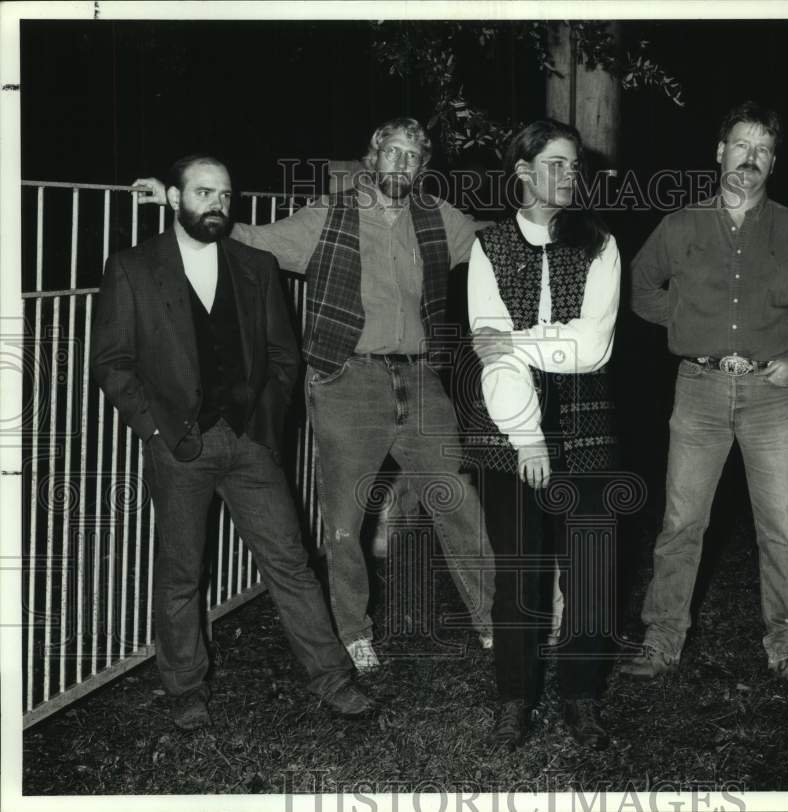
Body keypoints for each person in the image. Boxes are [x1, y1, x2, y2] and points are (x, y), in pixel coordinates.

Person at [132, 118, 494, 673]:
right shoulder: (330, 214)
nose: (401, 163)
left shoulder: (440, 218)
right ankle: (353, 631)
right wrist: (172, 203)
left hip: (422, 380)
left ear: (423, 168)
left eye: (413, 156)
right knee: (345, 518)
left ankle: (493, 622)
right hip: (347, 379)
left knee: (459, 501)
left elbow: (498, 241)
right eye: (390, 152)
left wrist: (546, 212)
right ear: (372, 159)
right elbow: (252, 239)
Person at [92, 156, 374, 730]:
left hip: (249, 444)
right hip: (177, 446)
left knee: (291, 563)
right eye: (202, 192)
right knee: (181, 573)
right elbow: (113, 363)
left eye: (223, 193)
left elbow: (283, 355)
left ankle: (332, 676)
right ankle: (184, 687)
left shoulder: (255, 265)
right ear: (173, 198)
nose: (216, 203)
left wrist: (267, 425)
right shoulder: (132, 269)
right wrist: (153, 429)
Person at [623, 101, 788, 687]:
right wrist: (685, 319)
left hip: (773, 394)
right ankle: (662, 639)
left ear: (773, 163)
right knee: (680, 522)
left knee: (782, 527)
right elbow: (641, 286)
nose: (750, 158)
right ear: (719, 152)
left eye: (762, 150)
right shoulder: (680, 225)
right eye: (741, 145)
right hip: (698, 389)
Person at [465, 119, 622, 750]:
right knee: (518, 574)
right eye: (556, 162)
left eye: (575, 164)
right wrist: (527, 436)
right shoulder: (489, 247)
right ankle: (514, 700)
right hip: (510, 438)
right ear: (523, 172)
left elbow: (593, 347)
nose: (570, 174)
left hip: (589, 430)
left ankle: (581, 698)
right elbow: (488, 349)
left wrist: (521, 341)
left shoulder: (601, 244)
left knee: (590, 570)